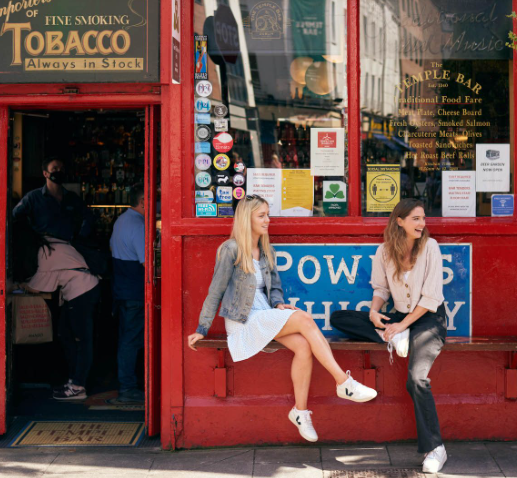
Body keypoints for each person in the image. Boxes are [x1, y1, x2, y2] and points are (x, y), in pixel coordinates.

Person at [187, 195, 377, 443]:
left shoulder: (266, 250)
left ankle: (300, 412)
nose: (268, 220)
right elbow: (216, 290)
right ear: (247, 219)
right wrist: (202, 327)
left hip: (263, 311)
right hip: (243, 319)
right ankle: (344, 382)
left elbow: (274, 287)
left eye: (268, 214)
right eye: (261, 215)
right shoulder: (231, 249)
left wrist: (277, 303)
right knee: (305, 319)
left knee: (303, 345)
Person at [330, 198, 448, 473]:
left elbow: (431, 298)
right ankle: (391, 337)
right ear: (400, 221)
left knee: (417, 379)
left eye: (423, 218)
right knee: (339, 317)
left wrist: (403, 325)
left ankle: (436, 448)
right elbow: (381, 289)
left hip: (428, 319)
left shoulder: (430, 247)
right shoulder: (384, 251)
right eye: (415, 219)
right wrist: (374, 312)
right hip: (398, 321)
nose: (422, 223)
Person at [15, 221, 101, 401]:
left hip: (81, 291)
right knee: (66, 334)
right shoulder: (54, 243)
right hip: (82, 289)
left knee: (81, 339)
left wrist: (18, 285)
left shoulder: (46, 251)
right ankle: (74, 380)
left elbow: (38, 286)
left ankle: (78, 386)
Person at [109, 184, 146, 404]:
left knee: (127, 338)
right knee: (131, 340)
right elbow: (146, 263)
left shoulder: (121, 221)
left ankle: (128, 383)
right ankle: (128, 387)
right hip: (135, 291)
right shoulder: (138, 225)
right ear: (143, 201)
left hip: (122, 289)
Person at [12, 157, 93, 242]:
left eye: (61, 169)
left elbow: (88, 216)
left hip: (68, 248)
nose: (59, 171)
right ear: (45, 174)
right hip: (44, 249)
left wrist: (81, 236)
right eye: (55, 169)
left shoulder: (72, 197)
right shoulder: (33, 197)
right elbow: (14, 216)